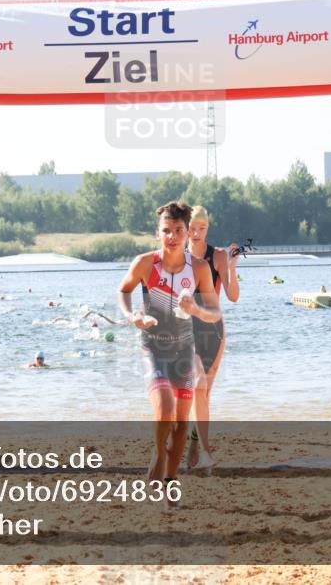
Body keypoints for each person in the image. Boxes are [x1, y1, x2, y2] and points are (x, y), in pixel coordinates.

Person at [117, 201, 222, 507]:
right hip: (154, 347)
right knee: (164, 406)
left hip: (184, 351)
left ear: (187, 232)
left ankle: (170, 480)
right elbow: (124, 290)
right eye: (167, 231)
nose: (172, 236)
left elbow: (214, 313)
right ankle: (157, 452)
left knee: (180, 425)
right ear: (157, 232)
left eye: (178, 230)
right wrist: (131, 317)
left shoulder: (199, 269)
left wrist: (195, 309)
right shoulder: (145, 264)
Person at [185, 205, 241, 471]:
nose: (196, 233)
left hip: (214, 329)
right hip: (186, 329)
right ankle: (206, 452)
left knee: (205, 393)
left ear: (208, 228)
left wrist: (231, 268)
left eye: (202, 228)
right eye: (192, 228)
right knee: (198, 385)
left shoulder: (217, 256)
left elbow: (232, 295)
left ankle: (196, 444)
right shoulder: (176, 257)